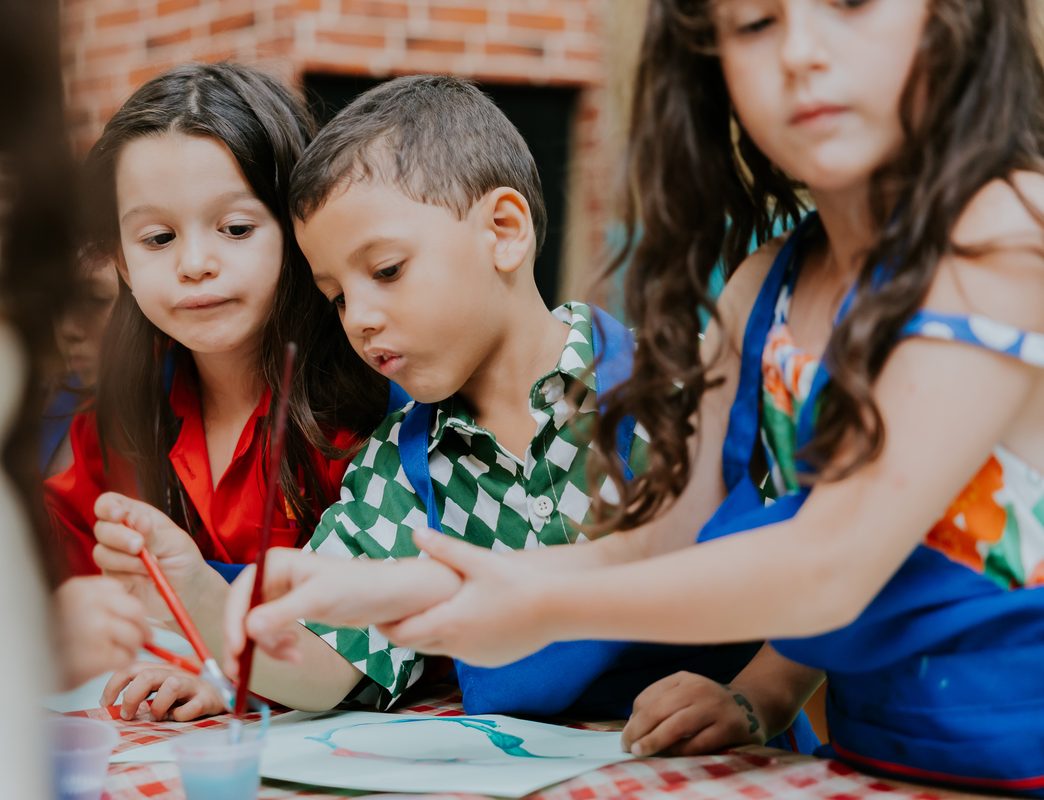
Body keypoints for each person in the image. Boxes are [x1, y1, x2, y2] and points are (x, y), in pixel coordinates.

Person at [229, 0, 1044, 789]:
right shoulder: (765, 288)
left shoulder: (1008, 234)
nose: (799, 52)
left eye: (852, 4)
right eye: (755, 22)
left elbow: (829, 563)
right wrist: (415, 589)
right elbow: (659, 536)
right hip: (879, 769)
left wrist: (535, 603)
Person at [127, 73, 819, 749]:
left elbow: (820, 543)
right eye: (337, 296)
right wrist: (202, 598)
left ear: (505, 230)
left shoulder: (680, 385)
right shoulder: (397, 468)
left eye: (388, 270)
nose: (360, 318)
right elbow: (324, 665)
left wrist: (760, 694)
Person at [49, 61, 387, 719]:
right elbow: (54, 575)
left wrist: (234, 678)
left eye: (235, 228)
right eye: (157, 237)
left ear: (297, 230)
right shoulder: (119, 425)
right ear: (120, 257)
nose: (195, 263)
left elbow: (367, 644)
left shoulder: (369, 409)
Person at [40, 250, 119, 478]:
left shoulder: (185, 412)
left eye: (97, 299)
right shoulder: (55, 402)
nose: (68, 328)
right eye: (57, 303)